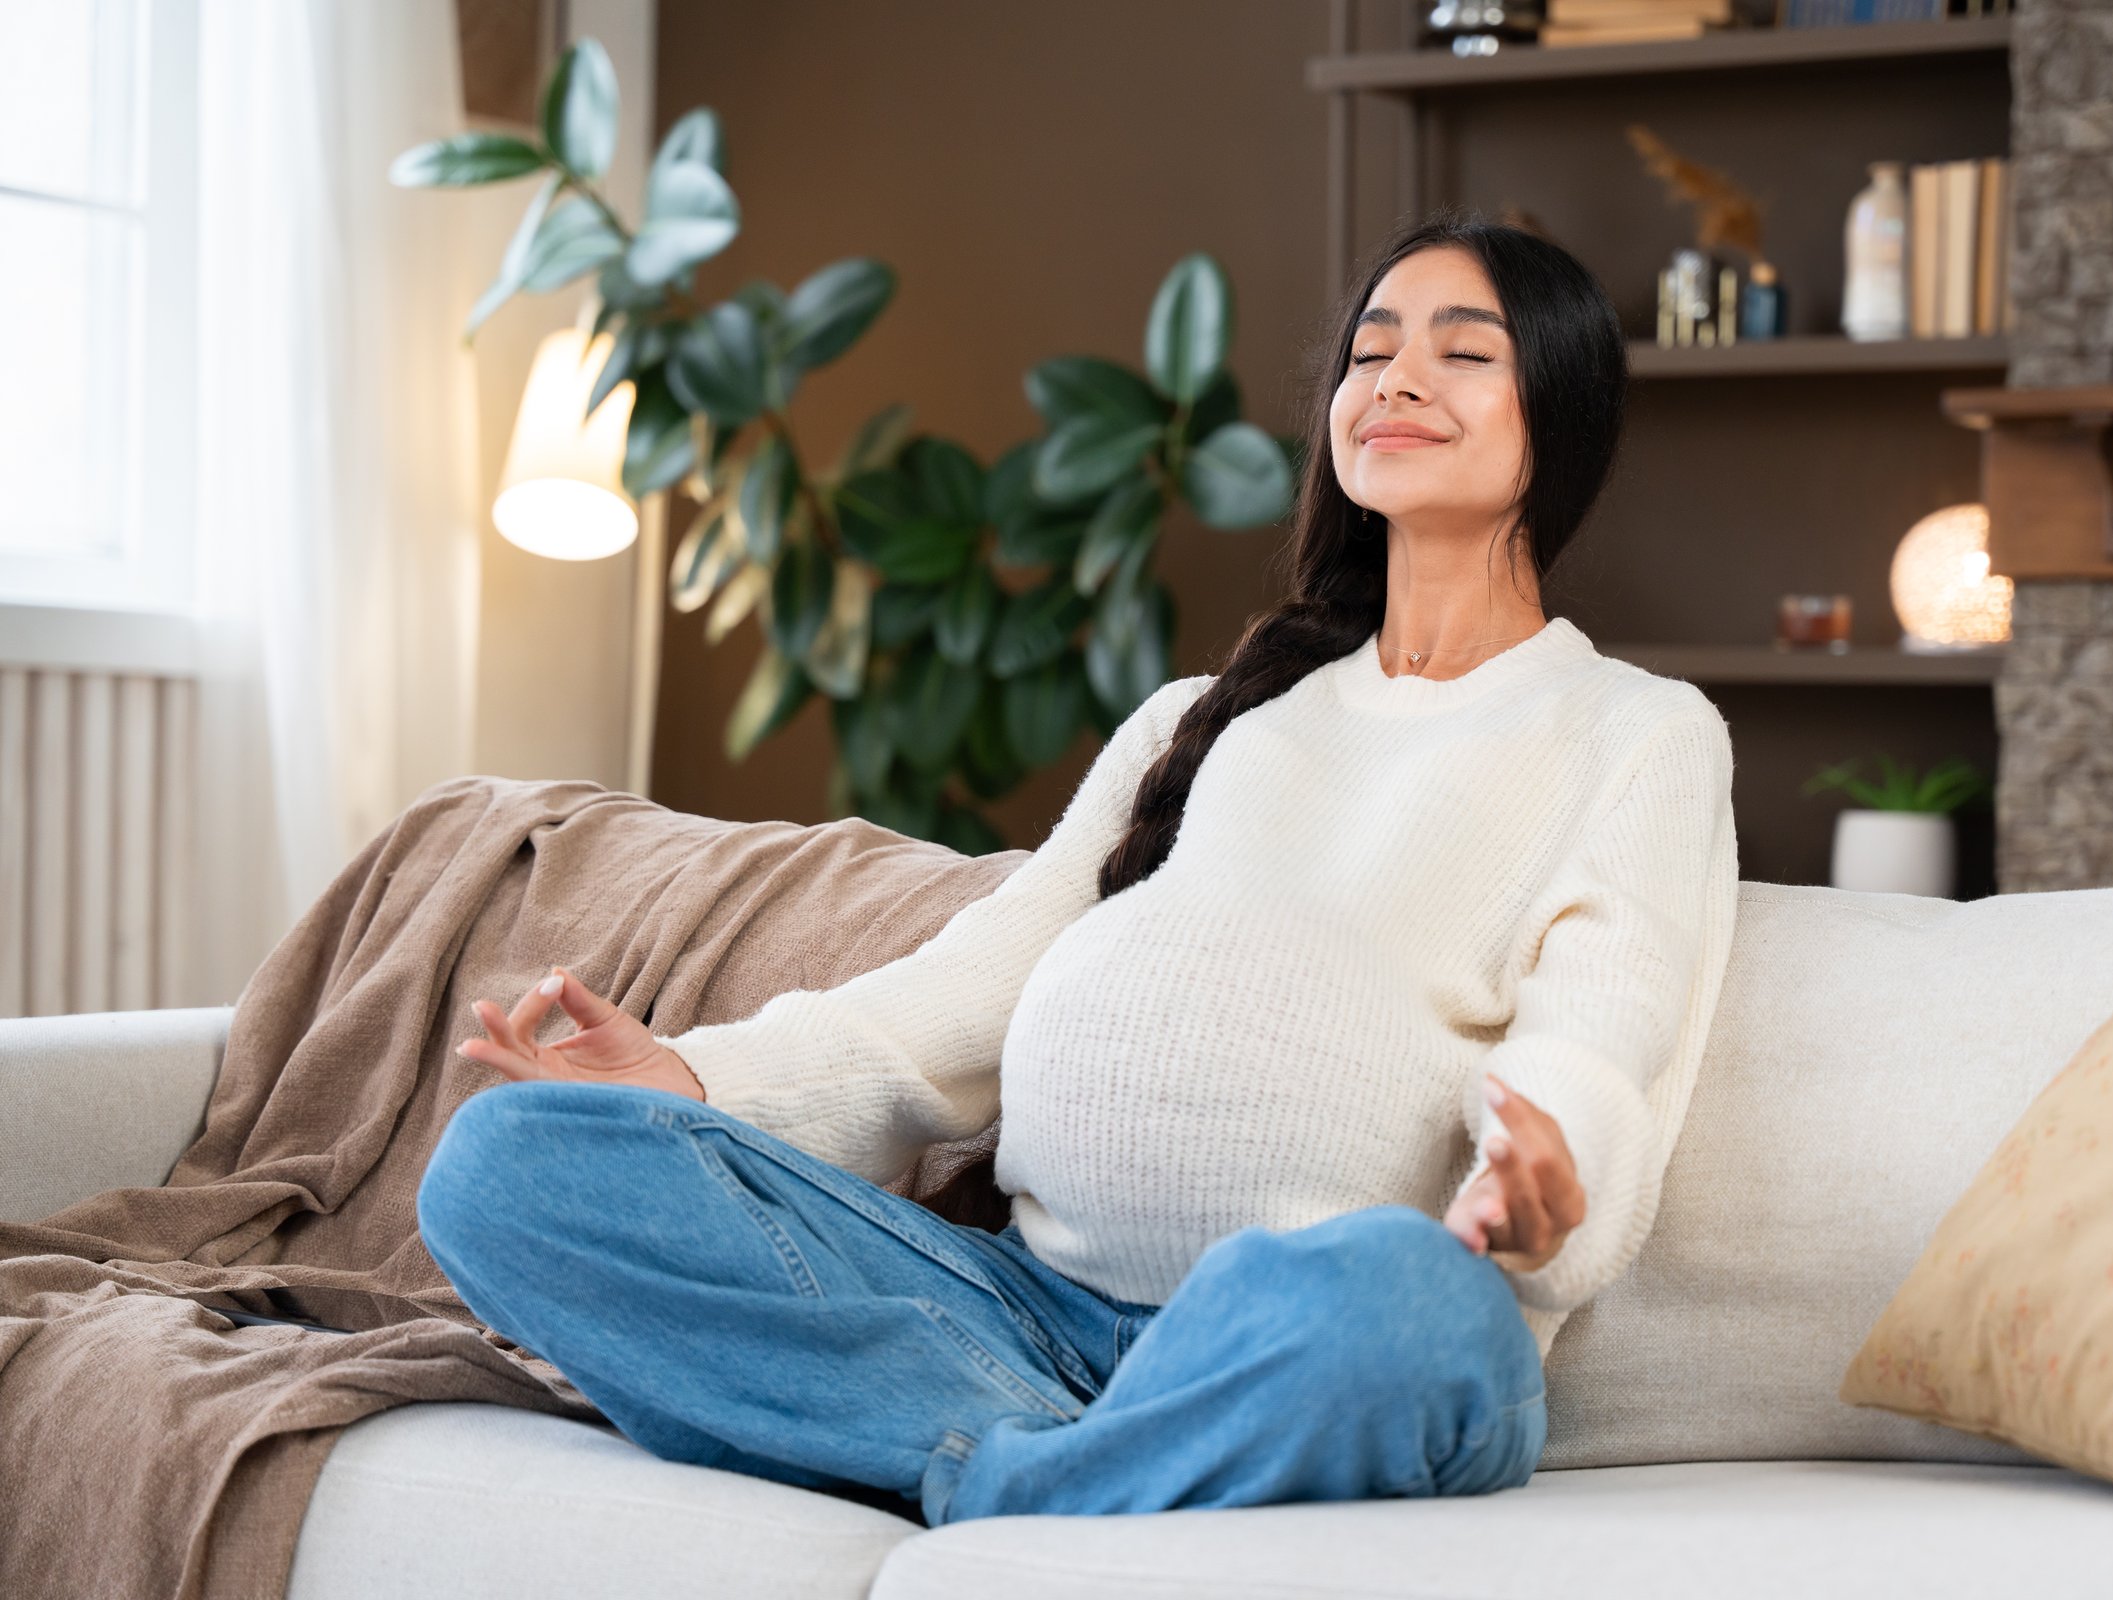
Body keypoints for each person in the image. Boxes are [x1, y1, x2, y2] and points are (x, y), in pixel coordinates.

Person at [414, 211, 1740, 1528]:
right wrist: (694, 1078)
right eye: (1369, 350)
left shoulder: (1633, 731)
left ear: (1557, 411)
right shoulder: (1199, 718)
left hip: (1316, 1331)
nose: (1391, 379)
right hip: (1014, 1319)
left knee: (1404, 1300)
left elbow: (1606, 1034)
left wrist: (1549, 1173)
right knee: (507, 1165)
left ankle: (1000, 1483)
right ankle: (1079, 1473)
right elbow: (969, 989)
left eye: (1464, 354)